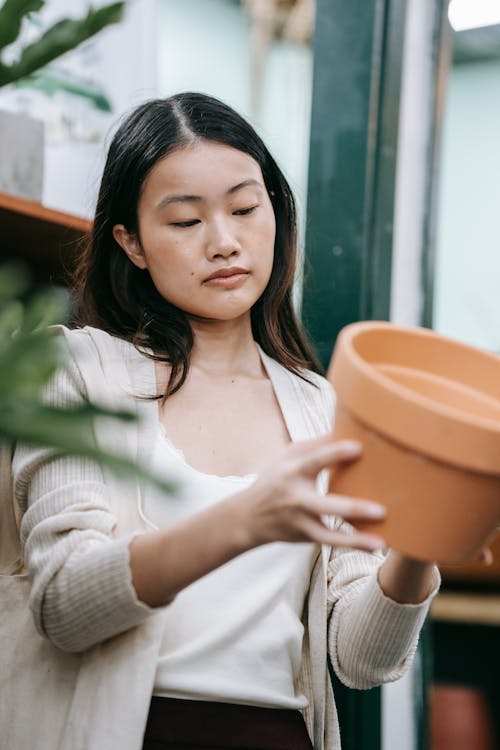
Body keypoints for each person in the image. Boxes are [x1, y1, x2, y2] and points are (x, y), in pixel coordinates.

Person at [12, 92, 439, 750]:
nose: (225, 242)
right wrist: (243, 521)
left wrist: (423, 538)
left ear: (275, 210)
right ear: (131, 242)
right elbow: (65, 605)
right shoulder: (73, 371)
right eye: (185, 221)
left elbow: (363, 660)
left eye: (245, 208)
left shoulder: (322, 407)